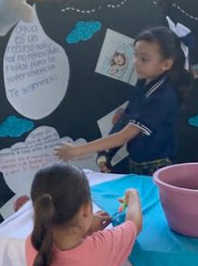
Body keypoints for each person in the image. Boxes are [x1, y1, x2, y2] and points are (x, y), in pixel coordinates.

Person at [56, 26, 191, 175]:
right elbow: (125, 119)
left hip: (157, 168)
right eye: (136, 55)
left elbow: (125, 136)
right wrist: (106, 154)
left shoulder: (163, 97)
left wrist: (76, 150)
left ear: (165, 64)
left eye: (143, 59)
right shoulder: (144, 83)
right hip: (137, 162)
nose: (135, 63)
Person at [25, 164, 143, 266]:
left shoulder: (33, 243)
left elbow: (64, 241)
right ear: (87, 210)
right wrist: (133, 196)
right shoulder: (102, 248)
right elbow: (134, 224)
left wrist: (84, 226)